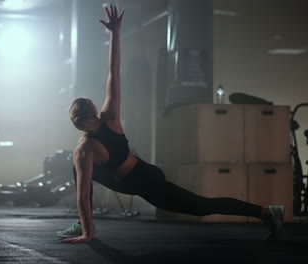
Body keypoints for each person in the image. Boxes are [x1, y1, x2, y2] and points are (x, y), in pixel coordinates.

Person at [58, 5, 284, 243]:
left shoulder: (86, 147)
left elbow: (83, 196)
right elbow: (113, 73)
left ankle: (268, 212)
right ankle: (83, 222)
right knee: (78, 167)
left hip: (146, 182)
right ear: (92, 113)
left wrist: (88, 234)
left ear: (78, 124)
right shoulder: (107, 120)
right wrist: (115, 33)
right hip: (138, 175)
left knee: (202, 206)